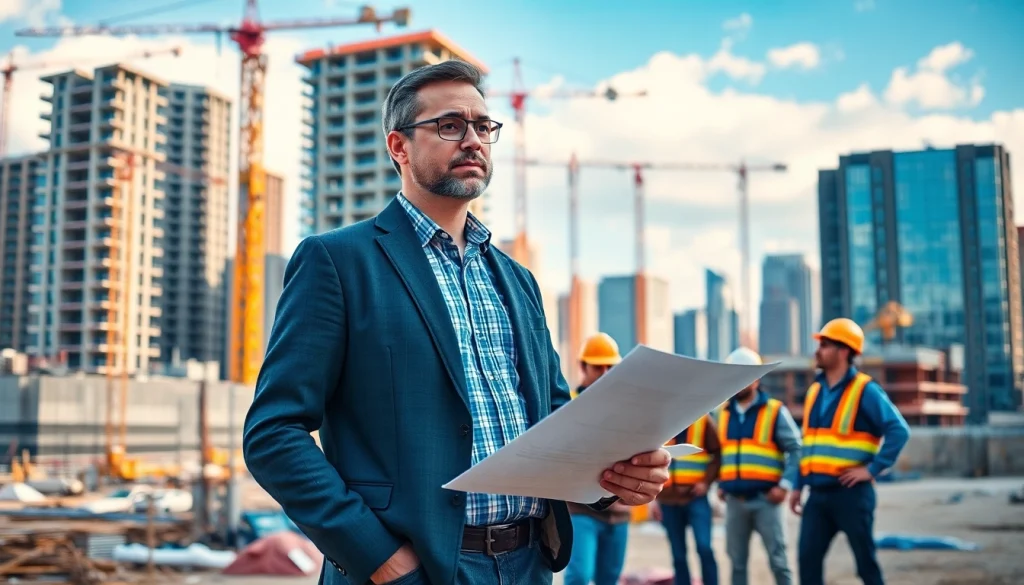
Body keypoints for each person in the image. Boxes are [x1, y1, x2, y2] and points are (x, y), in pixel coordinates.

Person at [241, 60, 671, 585]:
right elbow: (273, 433)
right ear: (399, 147)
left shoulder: (518, 281)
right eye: (449, 126)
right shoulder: (337, 262)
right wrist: (379, 559)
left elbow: (556, 421)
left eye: (483, 126)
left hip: (528, 564)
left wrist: (614, 478)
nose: (473, 140)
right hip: (412, 570)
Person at [789, 318, 911, 585]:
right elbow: (808, 443)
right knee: (807, 564)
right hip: (817, 495)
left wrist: (872, 470)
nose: (818, 350)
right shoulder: (814, 392)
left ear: (844, 351)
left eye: (825, 344)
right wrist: (798, 486)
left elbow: (899, 430)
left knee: (865, 566)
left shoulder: (865, 390)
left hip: (852, 495)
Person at [716, 347, 801, 585]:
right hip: (734, 502)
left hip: (767, 500)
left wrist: (785, 486)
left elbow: (796, 448)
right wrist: (722, 483)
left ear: (756, 379)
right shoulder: (723, 414)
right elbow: (722, 453)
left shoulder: (775, 411)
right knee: (737, 563)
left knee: (779, 560)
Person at [564, 333, 634, 585]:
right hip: (580, 509)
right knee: (579, 577)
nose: (605, 373)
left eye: (610, 367)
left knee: (609, 579)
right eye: (598, 366)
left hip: (619, 511)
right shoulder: (566, 404)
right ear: (583, 367)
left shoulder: (630, 409)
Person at [651, 412, 721, 585]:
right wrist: (653, 500)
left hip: (696, 498)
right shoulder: (658, 421)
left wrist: (706, 482)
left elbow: (718, 454)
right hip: (667, 500)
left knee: (704, 547)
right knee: (678, 554)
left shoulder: (703, 420)